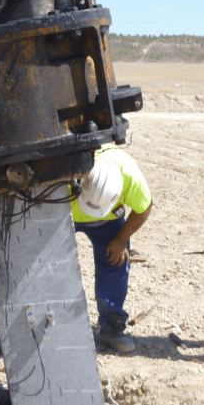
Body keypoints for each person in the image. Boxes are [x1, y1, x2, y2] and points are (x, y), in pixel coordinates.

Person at [72, 144, 153, 354]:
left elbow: (144, 207)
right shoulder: (68, 170)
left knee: (116, 260)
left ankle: (112, 326)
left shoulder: (129, 175)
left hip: (108, 221)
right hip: (65, 214)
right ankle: (50, 323)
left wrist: (121, 239)